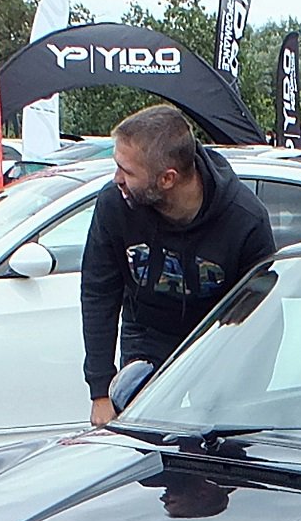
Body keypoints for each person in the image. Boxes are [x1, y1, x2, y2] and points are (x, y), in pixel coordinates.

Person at [80, 104, 275, 427]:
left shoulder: (245, 219)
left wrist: (249, 395)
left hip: (217, 345)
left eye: (126, 171)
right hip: (147, 336)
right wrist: (100, 392)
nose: (117, 179)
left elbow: (263, 319)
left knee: (215, 455)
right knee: (142, 446)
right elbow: (98, 293)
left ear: (167, 178)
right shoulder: (115, 206)